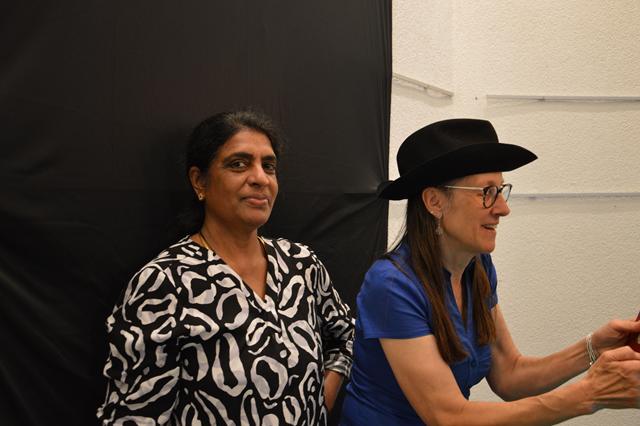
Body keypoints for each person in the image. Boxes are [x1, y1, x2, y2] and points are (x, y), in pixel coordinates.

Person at [341, 118, 640, 425]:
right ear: (434, 202)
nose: (502, 209)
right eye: (486, 192)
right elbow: (448, 417)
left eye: (500, 191)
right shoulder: (391, 285)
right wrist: (588, 395)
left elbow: (510, 375)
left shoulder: (477, 267)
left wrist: (594, 347)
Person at [97, 110, 354, 425]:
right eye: (238, 164)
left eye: (269, 166)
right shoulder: (165, 283)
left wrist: (319, 402)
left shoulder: (300, 264)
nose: (260, 178)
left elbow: (345, 337)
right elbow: (134, 416)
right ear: (199, 181)